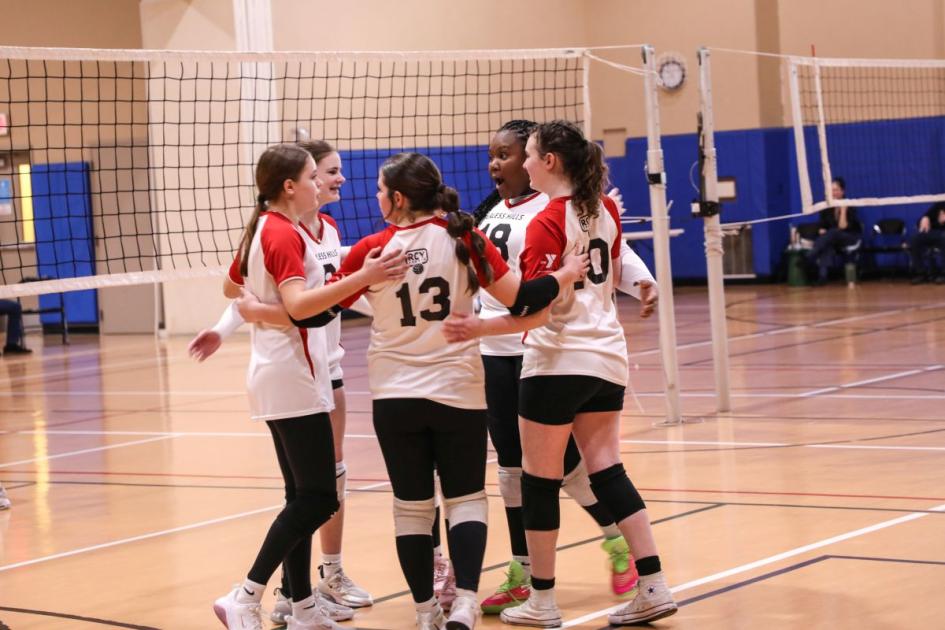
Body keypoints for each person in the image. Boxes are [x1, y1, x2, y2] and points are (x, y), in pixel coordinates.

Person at [252, 151, 586, 630]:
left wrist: (259, 310)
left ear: (398, 198)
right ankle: (465, 602)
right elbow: (524, 299)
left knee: (411, 508)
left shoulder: (373, 250)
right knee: (466, 499)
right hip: (458, 391)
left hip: (395, 397)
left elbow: (314, 311)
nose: (375, 197)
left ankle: (425, 611)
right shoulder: (465, 238)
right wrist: (564, 275)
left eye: (380, 190)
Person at [443, 120, 675, 627]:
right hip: (607, 355)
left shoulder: (546, 221)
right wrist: (637, 282)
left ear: (549, 161)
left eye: (528, 154)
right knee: (607, 471)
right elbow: (612, 269)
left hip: (555, 360)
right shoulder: (604, 207)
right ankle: (654, 584)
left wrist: (477, 327)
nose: (524, 163)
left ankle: (542, 602)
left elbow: (534, 312)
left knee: (539, 482)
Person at [211, 143, 407, 630]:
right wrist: (362, 278)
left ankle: (300, 606)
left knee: (300, 495)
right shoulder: (280, 232)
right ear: (290, 186)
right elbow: (300, 307)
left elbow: (281, 301)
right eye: (313, 176)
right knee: (319, 498)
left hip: (293, 373)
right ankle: (245, 594)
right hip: (293, 376)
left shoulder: (279, 228)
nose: (321, 183)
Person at [806, 177, 862, 285]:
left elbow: (842, 227)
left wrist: (843, 210)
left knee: (833, 232)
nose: (833, 193)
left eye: (836, 190)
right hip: (832, 239)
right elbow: (822, 226)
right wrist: (821, 230)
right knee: (827, 244)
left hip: (850, 238)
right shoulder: (826, 206)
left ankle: (811, 255)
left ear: (842, 191)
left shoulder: (849, 205)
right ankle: (822, 277)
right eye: (831, 190)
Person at [909, 201, 945, 284]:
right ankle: (921, 273)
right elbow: (924, 218)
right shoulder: (940, 205)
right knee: (915, 239)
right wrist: (924, 218)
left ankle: (943, 273)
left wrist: (942, 222)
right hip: (934, 233)